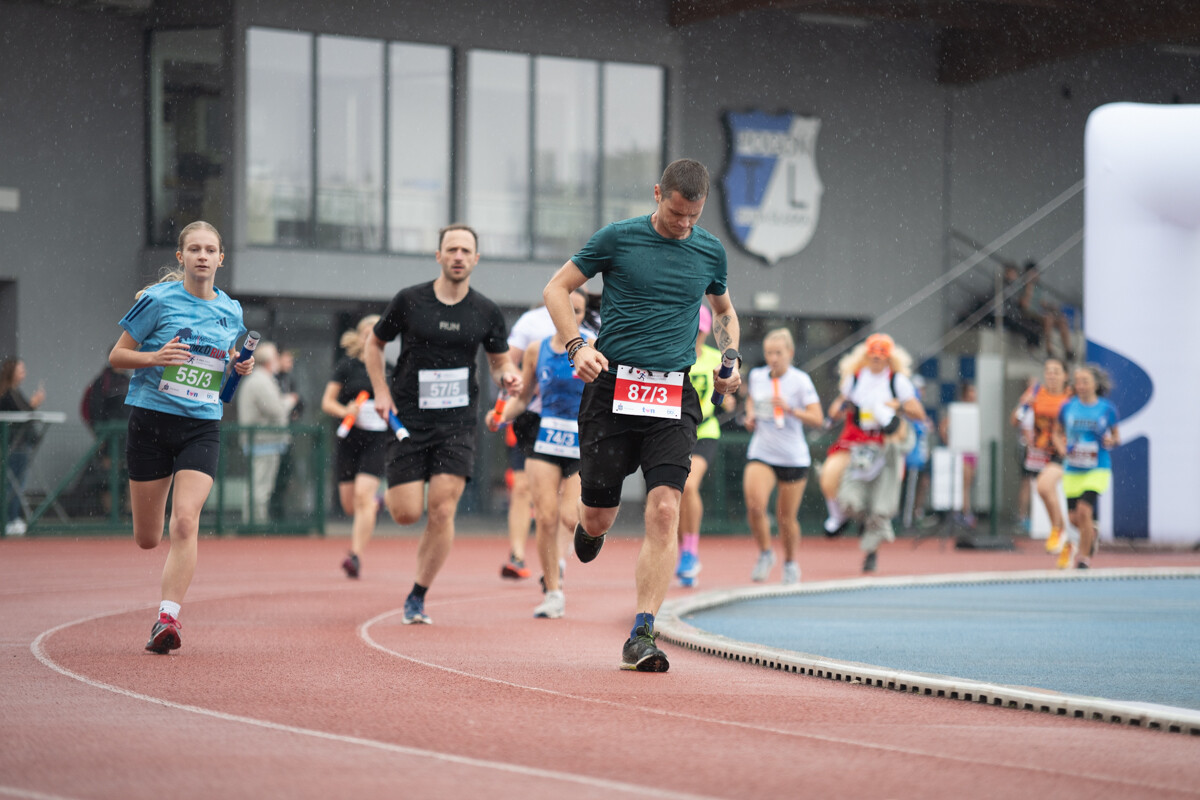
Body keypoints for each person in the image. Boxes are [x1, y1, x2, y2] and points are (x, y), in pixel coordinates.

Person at [543, 157, 741, 672]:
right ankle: (590, 528)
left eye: (693, 216)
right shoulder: (618, 238)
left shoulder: (709, 250)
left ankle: (642, 633)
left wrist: (730, 358)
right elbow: (556, 288)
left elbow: (723, 311)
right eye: (675, 213)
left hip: (672, 394)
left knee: (665, 509)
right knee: (598, 515)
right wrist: (576, 346)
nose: (683, 224)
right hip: (611, 388)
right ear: (658, 194)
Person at [364, 223, 521, 625]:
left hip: (457, 423)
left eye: (466, 250)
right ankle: (402, 514)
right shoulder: (410, 300)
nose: (458, 256)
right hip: (408, 418)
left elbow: (499, 361)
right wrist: (380, 391)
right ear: (439, 256)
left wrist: (507, 376)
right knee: (405, 512)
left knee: (442, 509)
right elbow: (374, 344)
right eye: (451, 249)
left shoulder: (486, 311)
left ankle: (417, 594)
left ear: (476, 259)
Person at [108, 220, 253, 653]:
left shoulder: (232, 310)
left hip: (201, 427)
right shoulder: (156, 301)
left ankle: (167, 619)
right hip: (151, 423)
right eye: (194, 249)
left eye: (210, 250)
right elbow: (117, 356)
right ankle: (164, 606)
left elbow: (224, 357)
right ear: (181, 256)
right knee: (148, 538)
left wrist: (238, 365)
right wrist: (155, 357)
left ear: (221, 258)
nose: (202, 256)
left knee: (186, 520)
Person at [493, 287, 591, 618]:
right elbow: (523, 398)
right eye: (567, 309)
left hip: (580, 443)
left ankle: (563, 558)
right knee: (546, 517)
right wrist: (500, 416)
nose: (572, 316)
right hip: (546, 439)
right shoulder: (537, 349)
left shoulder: (594, 347)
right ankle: (553, 591)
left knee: (570, 517)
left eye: (579, 311)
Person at [820, 333, 925, 540]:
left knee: (883, 491)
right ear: (866, 355)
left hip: (884, 442)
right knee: (829, 475)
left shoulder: (897, 381)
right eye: (873, 353)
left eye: (881, 353)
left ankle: (876, 524)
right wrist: (839, 410)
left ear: (889, 357)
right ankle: (839, 517)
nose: (877, 357)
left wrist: (897, 407)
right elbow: (837, 407)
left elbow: (918, 413)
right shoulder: (855, 379)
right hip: (855, 438)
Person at [742, 328, 823, 584]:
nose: (773, 358)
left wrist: (790, 410)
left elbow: (817, 418)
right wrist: (751, 416)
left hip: (793, 457)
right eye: (769, 353)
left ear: (790, 352)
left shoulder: (800, 381)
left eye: (778, 353)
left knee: (786, 519)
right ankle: (766, 553)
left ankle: (790, 562)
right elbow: (752, 401)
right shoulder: (757, 376)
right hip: (762, 452)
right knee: (755, 506)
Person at [321, 315, 391, 578]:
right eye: (367, 333)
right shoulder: (347, 366)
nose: (372, 337)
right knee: (350, 505)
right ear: (360, 337)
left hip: (377, 440)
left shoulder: (390, 370)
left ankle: (355, 555)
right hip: (349, 439)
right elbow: (327, 402)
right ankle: (376, 504)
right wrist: (345, 410)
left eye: (377, 333)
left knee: (363, 496)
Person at [496, 301, 557, 581]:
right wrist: (521, 382)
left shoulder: (591, 323)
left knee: (560, 493)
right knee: (521, 487)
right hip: (529, 417)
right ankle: (517, 555)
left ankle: (557, 561)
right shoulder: (531, 321)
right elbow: (505, 362)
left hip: (570, 419)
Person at [673, 303, 728, 588]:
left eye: (702, 331)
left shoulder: (715, 358)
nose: (697, 335)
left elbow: (729, 387)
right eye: (694, 329)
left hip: (704, 431)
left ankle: (691, 551)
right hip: (673, 432)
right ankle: (683, 552)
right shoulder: (673, 356)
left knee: (689, 485)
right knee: (672, 495)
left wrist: (728, 394)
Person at [1054, 364, 1120, 569]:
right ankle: (1091, 533)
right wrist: (1061, 448)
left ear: (1096, 384)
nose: (1081, 386)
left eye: (1085, 382)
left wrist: (1111, 441)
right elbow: (1056, 432)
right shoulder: (1067, 407)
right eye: (1078, 382)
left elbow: (1116, 436)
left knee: (1084, 511)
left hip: (1097, 468)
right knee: (1074, 518)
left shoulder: (1107, 409)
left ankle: (1083, 558)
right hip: (1073, 469)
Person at [1010, 357, 1072, 563]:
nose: (1051, 375)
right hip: (1040, 452)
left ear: (1065, 376)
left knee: (1044, 487)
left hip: (1062, 451)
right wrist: (1024, 405)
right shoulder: (1036, 392)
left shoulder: (1070, 397)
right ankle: (1063, 535)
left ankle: (1058, 529)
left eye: (1056, 371)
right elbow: (1015, 420)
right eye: (1048, 371)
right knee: (1044, 491)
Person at [236, 341, 297, 524]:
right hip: (263, 442)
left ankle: (254, 522)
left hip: (263, 441)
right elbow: (276, 410)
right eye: (276, 357)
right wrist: (289, 401)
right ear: (269, 361)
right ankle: (255, 524)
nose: (279, 361)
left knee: (258, 484)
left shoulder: (260, 379)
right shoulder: (261, 381)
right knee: (261, 486)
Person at [0, 358, 46, 535]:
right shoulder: (7, 393)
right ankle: (10, 518)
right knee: (13, 484)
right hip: (13, 446)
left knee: (17, 483)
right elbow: (22, 413)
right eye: (20, 370)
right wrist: (34, 403)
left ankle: (13, 517)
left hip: (19, 445)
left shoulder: (14, 392)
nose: (23, 373)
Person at [269, 347, 304, 520]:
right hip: (270, 437)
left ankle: (280, 513)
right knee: (271, 477)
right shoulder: (270, 378)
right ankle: (269, 514)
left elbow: (299, 403)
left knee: (285, 474)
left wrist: (294, 410)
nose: (290, 363)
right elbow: (275, 407)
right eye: (287, 359)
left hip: (286, 436)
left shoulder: (290, 379)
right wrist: (288, 403)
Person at [938, 381, 979, 528]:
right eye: (971, 392)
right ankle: (963, 513)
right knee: (963, 485)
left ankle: (963, 512)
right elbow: (943, 426)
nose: (974, 394)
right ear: (965, 394)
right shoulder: (959, 410)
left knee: (968, 483)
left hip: (972, 452)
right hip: (962, 453)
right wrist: (950, 443)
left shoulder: (974, 410)